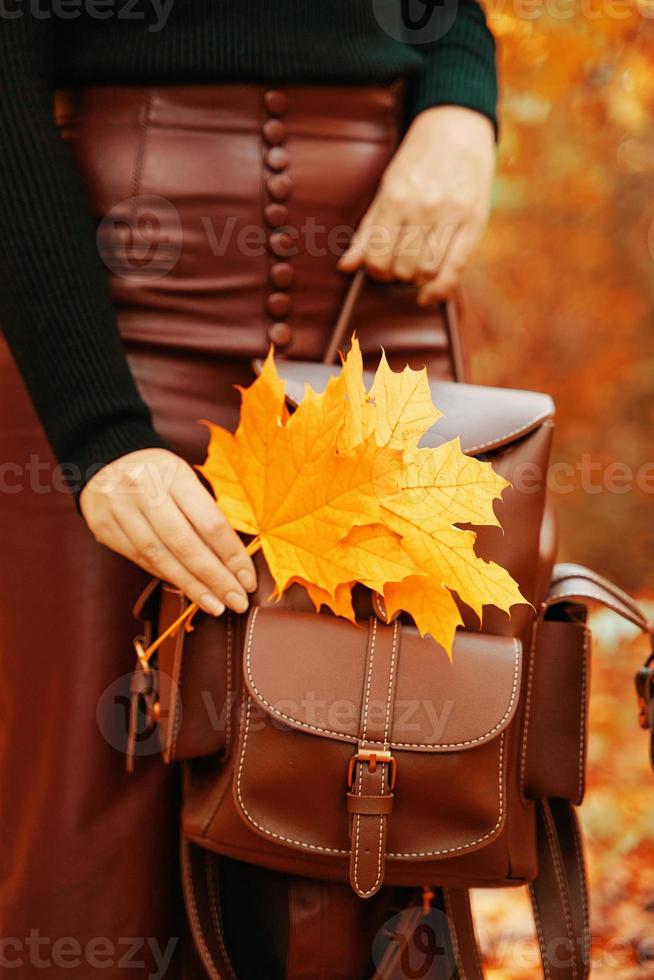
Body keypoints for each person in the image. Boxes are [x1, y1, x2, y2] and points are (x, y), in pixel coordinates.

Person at [0, 3, 497, 976]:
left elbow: (451, 16)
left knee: (373, 810)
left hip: (377, 311)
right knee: (87, 826)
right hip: (108, 324)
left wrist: (461, 104)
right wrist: (98, 432)